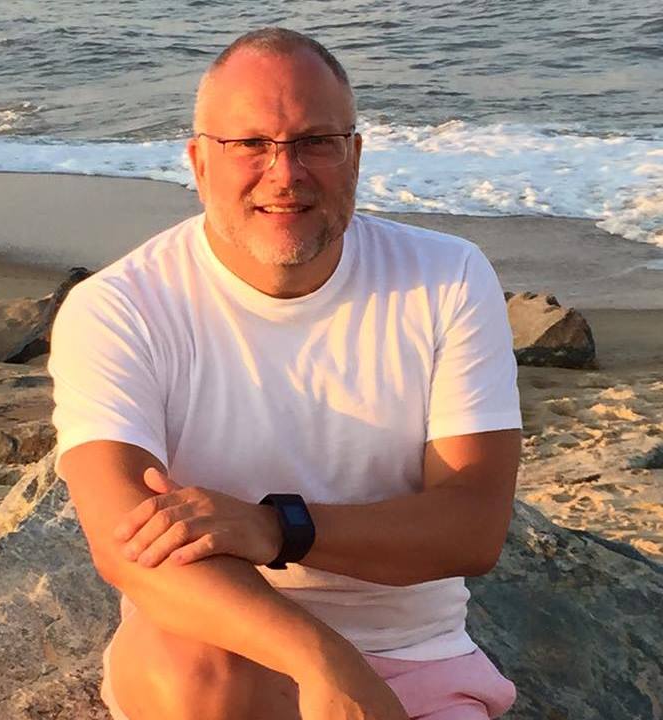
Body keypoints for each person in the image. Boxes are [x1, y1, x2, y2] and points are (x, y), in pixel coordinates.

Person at [49, 27, 522, 720]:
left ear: (355, 155)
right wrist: (323, 662)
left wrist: (275, 528)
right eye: (250, 143)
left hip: (415, 655)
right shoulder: (121, 308)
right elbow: (127, 546)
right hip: (218, 652)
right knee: (194, 676)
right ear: (198, 162)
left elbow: (473, 526)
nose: (285, 172)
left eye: (314, 141)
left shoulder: (445, 277)